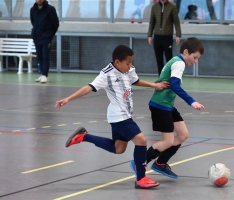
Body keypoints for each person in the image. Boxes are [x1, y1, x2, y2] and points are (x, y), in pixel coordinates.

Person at [55, 45, 169, 189]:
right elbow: (88, 87)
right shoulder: (106, 74)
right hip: (119, 116)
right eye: (127, 63)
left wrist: (154, 85)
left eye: (131, 63)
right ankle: (141, 178)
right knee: (141, 140)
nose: (130, 66)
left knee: (118, 148)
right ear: (117, 62)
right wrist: (68, 99)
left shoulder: (129, 69)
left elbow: (135, 80)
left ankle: (84, 136)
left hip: (125, 115)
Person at [129, 37, 205, 179]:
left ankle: (161, 163)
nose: (195, 61)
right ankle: (139, 163)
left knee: (183, 135)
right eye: (195, 57)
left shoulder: (175, 61)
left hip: (168, 105)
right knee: (168, 141)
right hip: (160, 106)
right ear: (186, 52)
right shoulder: (179, 63)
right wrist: (191, 101)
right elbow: (175, 85)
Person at [148, 0, 181, 76]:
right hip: (157, 36)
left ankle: (169, 78)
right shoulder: (154, 7)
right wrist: (150, 35)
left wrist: (178, 35)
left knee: (169, 59)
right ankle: (161, 78)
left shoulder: (172, 7)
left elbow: (176, 22)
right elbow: (152, 22)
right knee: (159, 59)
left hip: (167, 36)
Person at [30, 0, 59, 83]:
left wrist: (49, 35)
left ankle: (45, 75)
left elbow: (55, 24)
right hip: (37, 37)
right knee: (39, 56)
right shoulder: (32, 9)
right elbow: (33, 22)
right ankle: (42, 74)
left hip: (46, 38)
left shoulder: (50, 9)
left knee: (45, 56)